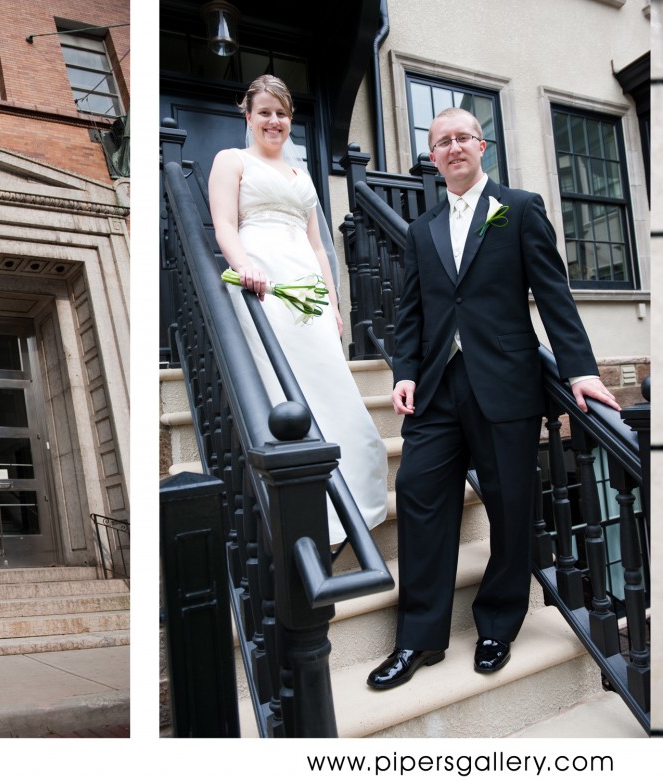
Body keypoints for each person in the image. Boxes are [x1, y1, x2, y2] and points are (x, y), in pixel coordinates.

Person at [365, 107, 621, 690]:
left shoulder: (521, 209)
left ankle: (498, 624)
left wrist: (579, 369)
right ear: (433, 158)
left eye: (462, 138)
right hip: (436, 389)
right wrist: (405, 371)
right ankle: (419, 639)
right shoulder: (423, 229)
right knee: (419, 493)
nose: (453, 148)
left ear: (482, 147)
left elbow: (553, 295)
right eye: (441, 142)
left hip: (505, 381)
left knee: (509, 504)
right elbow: (413, 314)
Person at [207, 74, 388, 545]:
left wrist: (334, 303)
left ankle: (352, 499)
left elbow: (320, 247)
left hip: (307, 285)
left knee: (329, 381)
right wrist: (243, 266)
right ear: (248, 116)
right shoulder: (232, 161)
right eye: (265, 111)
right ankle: (300, 502)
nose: (274, 120)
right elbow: (224, 223)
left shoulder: (302, 174)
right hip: (263, 276)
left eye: (282, 113)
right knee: (282, 381)